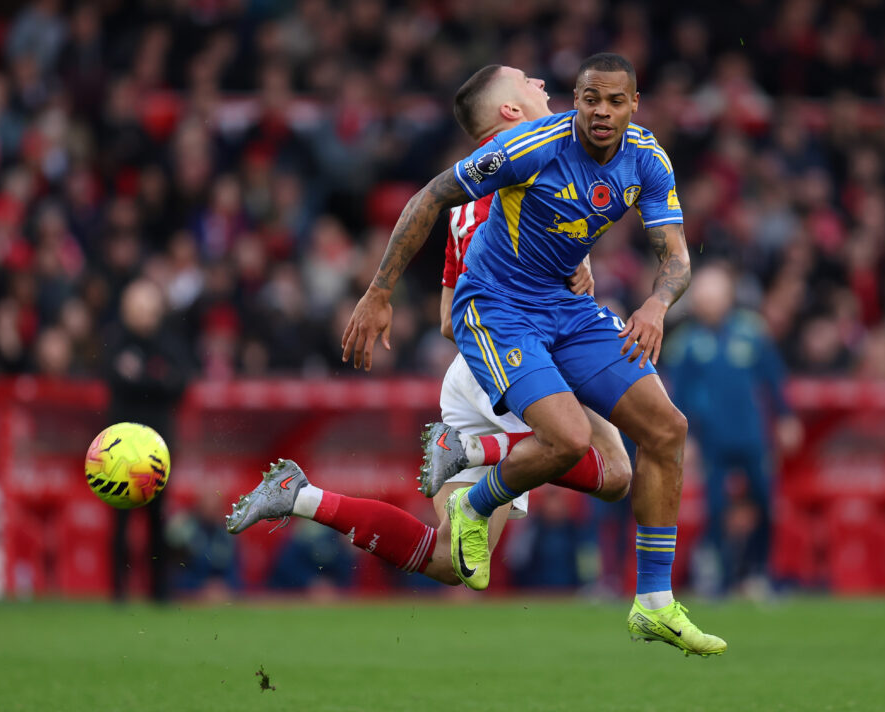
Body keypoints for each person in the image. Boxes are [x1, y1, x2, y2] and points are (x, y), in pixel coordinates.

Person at [342, 53, 725, 656]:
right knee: (571, 441)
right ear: (577, 99)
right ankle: (473, 497)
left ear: (633, 105)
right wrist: (379, 291)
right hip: (496, 308)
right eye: (589, 98)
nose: (601, 111)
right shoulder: (530, 146)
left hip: (563, 311)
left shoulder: (648, 159)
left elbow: (675, 255)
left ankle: (653, 603)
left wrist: (655, 306)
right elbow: (430, 196)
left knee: (667, 429)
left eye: (614, 101)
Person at [224, 65, 630, 588]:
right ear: (511, 110)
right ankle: (469, 450)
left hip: (473, 369)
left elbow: (447, 320)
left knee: (449, 560)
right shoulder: (520, 176)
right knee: (616, 473)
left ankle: (299, 496)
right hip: (516, 362)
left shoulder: (470, 196)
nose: (542, 87)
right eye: (529, 82)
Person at [663, 262, 801, 596]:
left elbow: (773, 379)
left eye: (714, 294)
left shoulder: (752, 332)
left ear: (727, 297)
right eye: (702, 296)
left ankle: (758, 573)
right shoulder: (685, 343)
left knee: (766, 502)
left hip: (752, 436)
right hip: (711, 440)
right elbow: (674, 397)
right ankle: (721, 580)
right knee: (715, 508)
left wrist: (786, 418)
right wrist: (686, 440)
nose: (707, 302)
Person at [104, 279, 191, 603]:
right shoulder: (115, 340)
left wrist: (142, 378)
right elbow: (117, 379)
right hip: (120, 448)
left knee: (157, 520)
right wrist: (155, 380)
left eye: (147, 309)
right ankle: (119, 593)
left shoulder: (169, 344)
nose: (142, 316)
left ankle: (160, 592)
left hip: (157, 448)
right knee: (121, 521)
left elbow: (179, 384)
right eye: (136, 308)